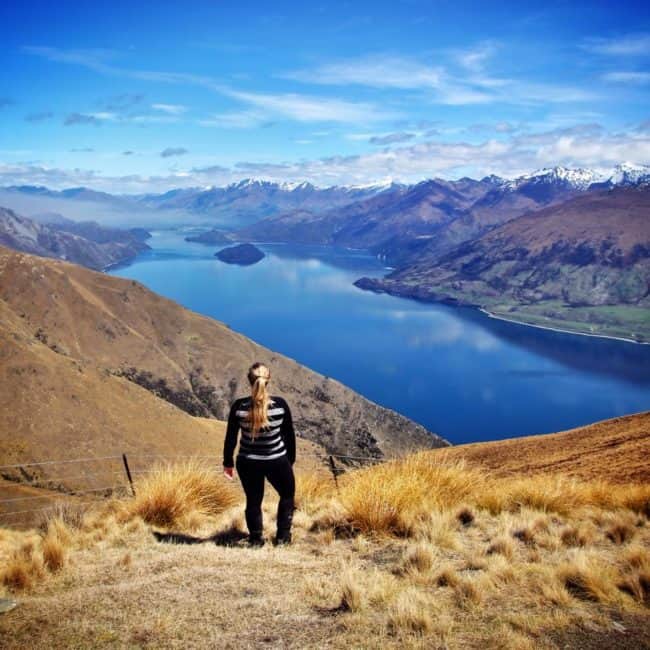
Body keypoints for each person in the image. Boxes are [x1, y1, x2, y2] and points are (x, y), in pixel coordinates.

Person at [223, 362, 296, 547]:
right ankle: (283, 538)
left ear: (249, 381)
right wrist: (289, 461)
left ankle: (256, 540)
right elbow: (289, 436)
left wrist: (228, 463)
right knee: (287, 495)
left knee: (253, 500)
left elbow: (231, 437)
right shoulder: (280, 405)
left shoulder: (239, 407)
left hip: (248, 462)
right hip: (277, 461)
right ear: (268, 380)